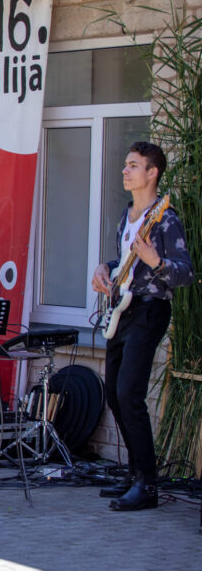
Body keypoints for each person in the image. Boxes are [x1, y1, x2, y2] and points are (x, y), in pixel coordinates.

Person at [91, 142, 193, 511]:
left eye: (133, 165)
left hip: (149, 311)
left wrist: (156, 261)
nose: (125, 170)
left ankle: (147, 484)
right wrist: (104, 268)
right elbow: (125, 263)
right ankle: (135, 473)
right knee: (114, 394)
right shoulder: (127, 215)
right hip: (123, 310)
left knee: (130, 394)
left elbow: (185, 273)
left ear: (152, 173)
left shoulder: (165, 218)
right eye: (126, 164)